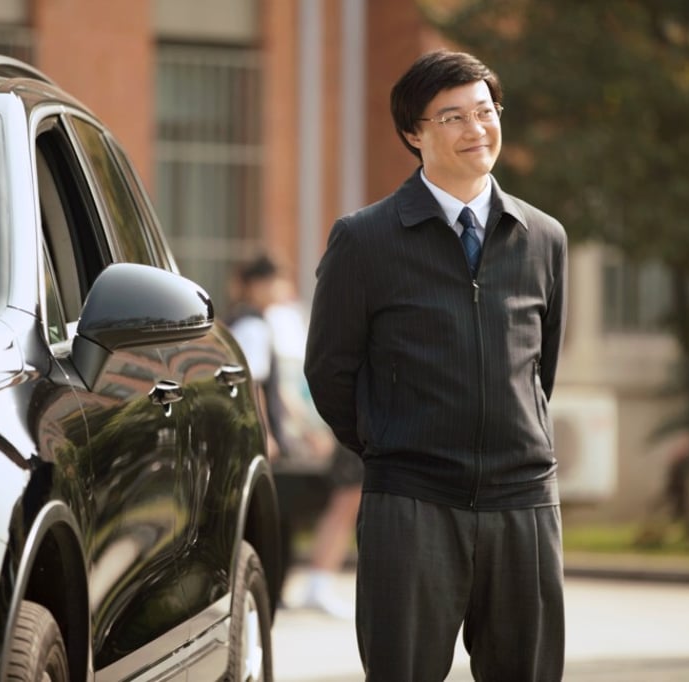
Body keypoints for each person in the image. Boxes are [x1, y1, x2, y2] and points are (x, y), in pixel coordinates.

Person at [304, 49, 568, 681]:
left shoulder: (543, 238)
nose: (477, 129)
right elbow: (329, 372)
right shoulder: (365, 239)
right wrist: (391, 445)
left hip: (523, 504)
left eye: (486, 111)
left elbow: (540, 369)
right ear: (413, 134)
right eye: (453, 117)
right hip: (412, 503)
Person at [228, 255, 363, 619]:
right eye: (275, 281)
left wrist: (306, 428)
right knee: (285, 508)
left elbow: (279, 391)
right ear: (256, 285)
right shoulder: (252, 326)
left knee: (284, 512)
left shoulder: (258, 323)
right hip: (263, 438)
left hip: (275, 436)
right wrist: (267, 433)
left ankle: (281, 587)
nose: (282, 290)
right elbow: (253, 385)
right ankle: (289, 585)